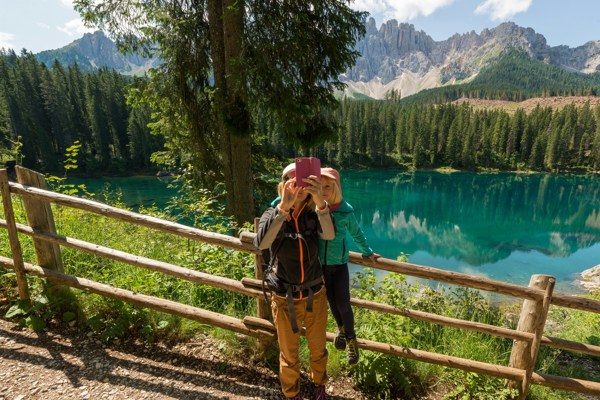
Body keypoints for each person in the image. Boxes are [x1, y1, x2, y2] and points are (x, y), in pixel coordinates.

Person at [254, 163, 335, 400]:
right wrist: (283, 209)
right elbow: (261, 244)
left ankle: (319, 385)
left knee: (318, 349)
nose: (299, 187)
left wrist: (320, 201)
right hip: (284, 296)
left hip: (315, 294)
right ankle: (292, 394)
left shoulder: (313, 214)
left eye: (304, 182)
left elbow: (329, 235)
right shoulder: (272, 214)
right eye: (293, 181)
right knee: (288, 353)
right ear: (283, 185)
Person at [319, 167, 380, 365]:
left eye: (328, 186)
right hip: (321, 266)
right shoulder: (314, 208)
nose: (324, 190)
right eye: (320, 186)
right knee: (331, 302)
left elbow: (357, 233)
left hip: (339, 265)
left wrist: (368, 252)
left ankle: (352, 340)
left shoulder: (345, 210)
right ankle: (341, 330)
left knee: (343, 303)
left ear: (336, 187)